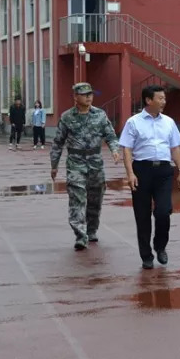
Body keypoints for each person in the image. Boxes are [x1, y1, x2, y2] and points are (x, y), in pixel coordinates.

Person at [120, 85, 180, 269]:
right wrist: (130, 174)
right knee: (142, 216)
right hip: (142, 170)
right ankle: (146, 255)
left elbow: (175, 148)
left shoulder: (169, 122)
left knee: (163, 211)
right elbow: (126, 148)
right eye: (160, 98)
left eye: (164, 98)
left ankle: (160, 246)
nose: (164, 102)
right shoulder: (133, 122)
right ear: (149, 100)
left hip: (164, 171)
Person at [49, 83, 121, 250]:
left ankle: (91, 229)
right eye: (84, 94)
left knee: (95, 199)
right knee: (77, 198)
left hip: (95, 163)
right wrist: (54, 165)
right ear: (75, 97)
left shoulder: (100, 115)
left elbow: (110, 135)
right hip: (75, 163)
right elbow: (58, 142)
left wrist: (115, 150)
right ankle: (80, 235)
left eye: (90, 94)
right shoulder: (67, 117)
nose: (89, 97)